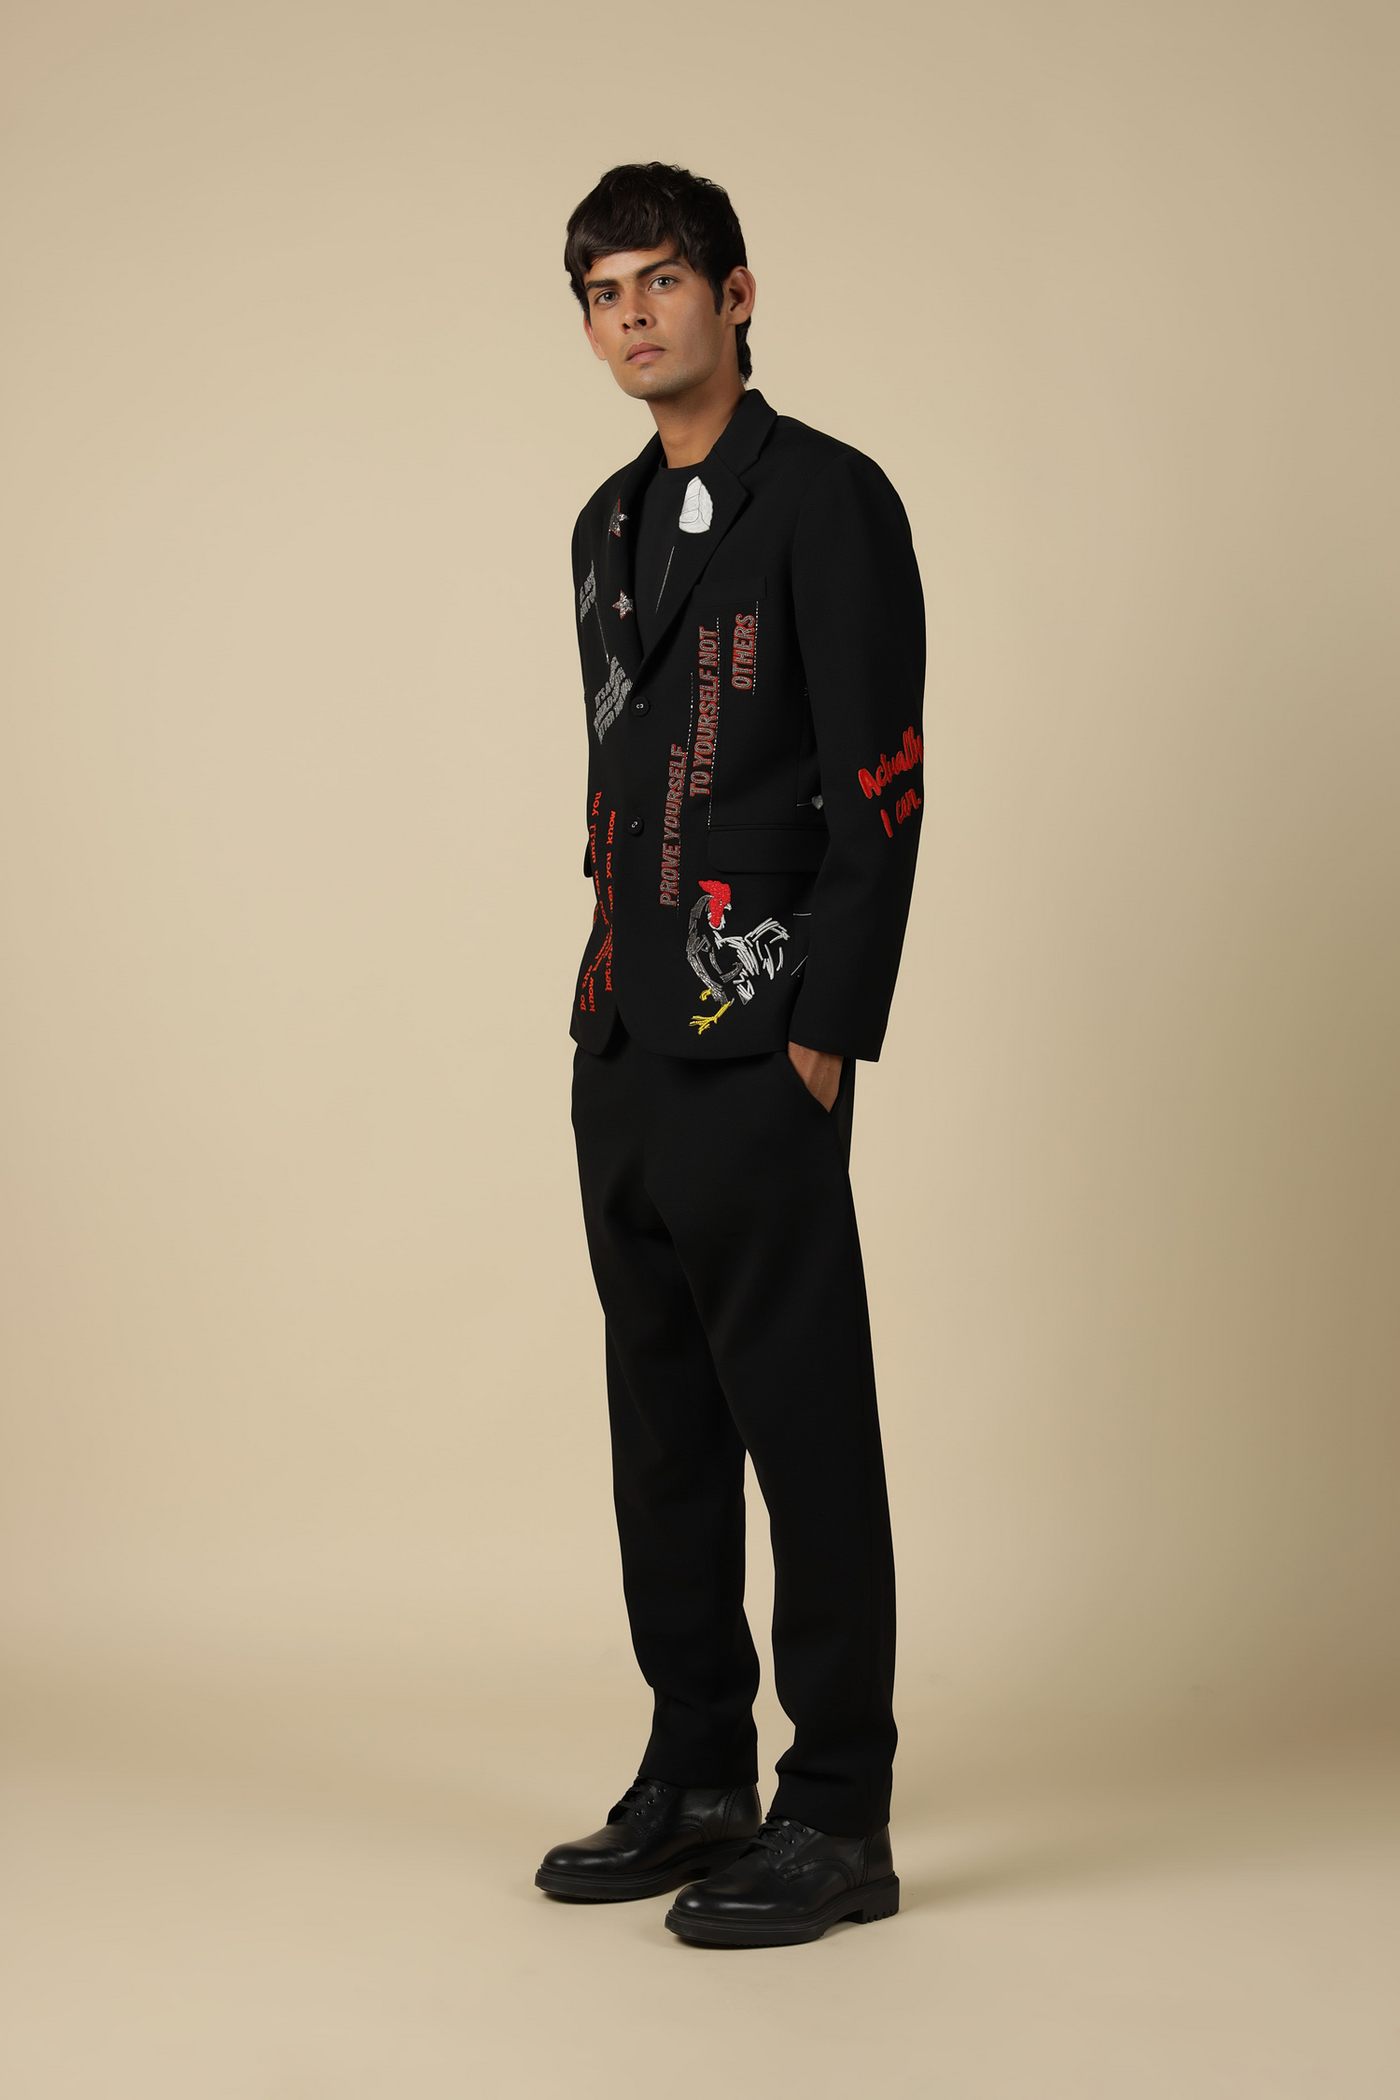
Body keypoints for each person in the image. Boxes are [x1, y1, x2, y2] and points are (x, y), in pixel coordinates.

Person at [535, 163, 925, 1949]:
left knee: (804, 1427)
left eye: (662, 280)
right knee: (663, 1429)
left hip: (765, 1036)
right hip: (623, 1033)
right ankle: (698, 1771)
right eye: (603, 291)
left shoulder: (827, 499)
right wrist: (602, 1004)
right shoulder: (600, 525)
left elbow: (880, 788)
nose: (632, 314)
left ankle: (837, 1809)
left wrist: (826, 1037)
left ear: (737, 295)